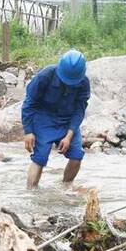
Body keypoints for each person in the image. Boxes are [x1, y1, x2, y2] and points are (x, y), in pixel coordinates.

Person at [22, 49, 91, 188]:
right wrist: (28, 131)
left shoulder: (83, 83)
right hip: (44, 118)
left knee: (77, 156)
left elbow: (79, 110)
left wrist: (69, 136)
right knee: (40, 158)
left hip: (68, 120)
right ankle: (30, 193)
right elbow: (29, 103)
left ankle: (66, 188)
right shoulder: (45, 75)